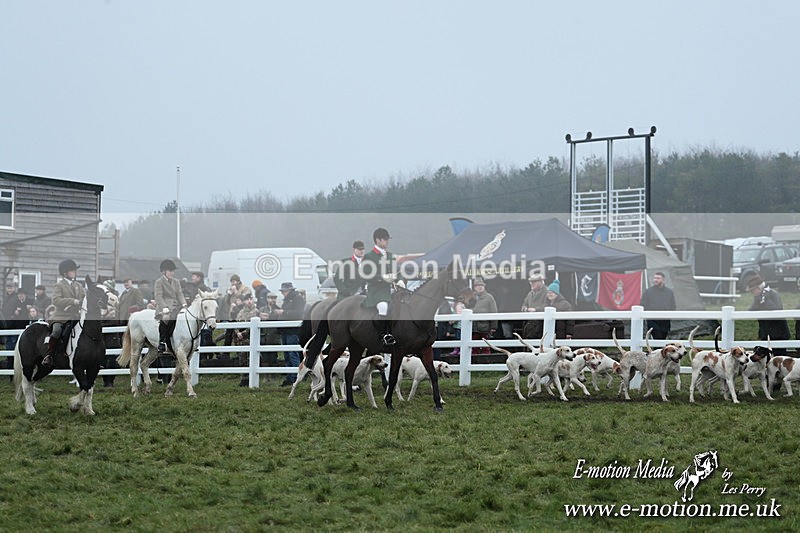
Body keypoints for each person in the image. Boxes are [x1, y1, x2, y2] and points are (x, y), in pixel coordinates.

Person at [43, 259, 85, 366]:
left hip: (76, 315)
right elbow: (56, 300)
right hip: (61, 316)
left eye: (74, 270)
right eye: (72, 270)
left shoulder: (79, 285)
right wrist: (73, 301)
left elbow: (84, 298)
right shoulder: (59, 285)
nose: (74, 272)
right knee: (57, 331)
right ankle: (49, 355)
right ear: (65, 273)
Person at [360, 227, 397, 346]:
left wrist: (400, 280)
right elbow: (366, 274)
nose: (387, 241)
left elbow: (396, 271)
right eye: (385, 239)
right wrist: (382, 278)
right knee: (383, 307)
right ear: (377, 240)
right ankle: (383, 336)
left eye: (387, 239)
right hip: (377, 291)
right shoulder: (369, 256)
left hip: (391, 290)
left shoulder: (390, 256)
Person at [746, 274, 790, 356]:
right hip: (765, 332)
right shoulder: (758, 298)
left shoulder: (773, 294)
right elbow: (751, 310)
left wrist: (766, 299)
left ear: (758, 288)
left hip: (778, 333)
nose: (752, 293)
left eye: (752, 290)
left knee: (779, 357)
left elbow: (777, 310)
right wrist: (758, 300)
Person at [274, 281, 305, 386]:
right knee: (288, 354)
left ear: (289, 290)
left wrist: (284, 312)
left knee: (292, 353)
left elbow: (299, 313)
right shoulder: (290, 299)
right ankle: (291, 376)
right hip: (287, 330)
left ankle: (295, 376)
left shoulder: (297, 299)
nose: (282, 293)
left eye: (284, 291)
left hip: (292, 331)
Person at [154, 259, 184, 354]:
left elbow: (180, 294)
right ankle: (162, 341)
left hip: (176, 306)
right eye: (170, 271)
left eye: (173, 271)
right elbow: (158, 297)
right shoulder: (159, 282)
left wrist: (184, 304)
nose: (172, 273)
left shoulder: (176, 281)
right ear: (164, 271)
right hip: (164, 306)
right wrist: (164, 307)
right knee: (166, 318)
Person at [640, 271, 677, 340]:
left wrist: (669, 315)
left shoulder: (669, 292)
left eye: (658, 278)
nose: (655, 280)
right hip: (652, 320)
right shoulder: (648, 292)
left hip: (665, 321)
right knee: (657, 337)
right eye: (655, 278)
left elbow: (673, 306)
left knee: (662, 340)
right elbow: (643, 304)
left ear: (663, 280)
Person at [235, 293, 261, 386]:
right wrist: (237, 332)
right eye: (247, 299)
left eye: (251, 299)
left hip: (251, 339)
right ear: (244, 301)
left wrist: (243, 333)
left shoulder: (256, 312)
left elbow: (253, 327)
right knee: (242, 359)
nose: (249, 301)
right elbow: (236, 323)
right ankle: (243, 379)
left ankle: (250, 379)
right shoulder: (241, 312)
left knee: (251, 359)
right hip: (241, 340)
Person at [469, 278, 497, 354]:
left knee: (486, 347)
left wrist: (493, 326)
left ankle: (487, 360)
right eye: (478, 285)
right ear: (474, 287)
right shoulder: (471, 297)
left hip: (485, 327)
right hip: (473, 327)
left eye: (482, 285)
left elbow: (493, 311)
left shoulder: (489, 297)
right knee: (473, 347)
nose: (480, 287)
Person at [521, 273, 548, 339]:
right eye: (531, 282)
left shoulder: (547, 292)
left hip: (541, 325)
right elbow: (524, 304)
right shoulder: (530, 294)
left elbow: (547, 305)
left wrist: (535, 309)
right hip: (529, 324)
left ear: (541, 282)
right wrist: (525, 309)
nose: (531, 284)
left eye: (534, 282)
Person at [258, 292, 282, 367]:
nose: (273, 300)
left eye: (274, 298)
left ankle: (274, 371)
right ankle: (266, 372)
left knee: (274, 357)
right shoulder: (262, 309)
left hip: (274, 336)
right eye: (271, 298)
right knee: (265, 357)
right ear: (267, 299)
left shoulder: (279, 310)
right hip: (264, 336)